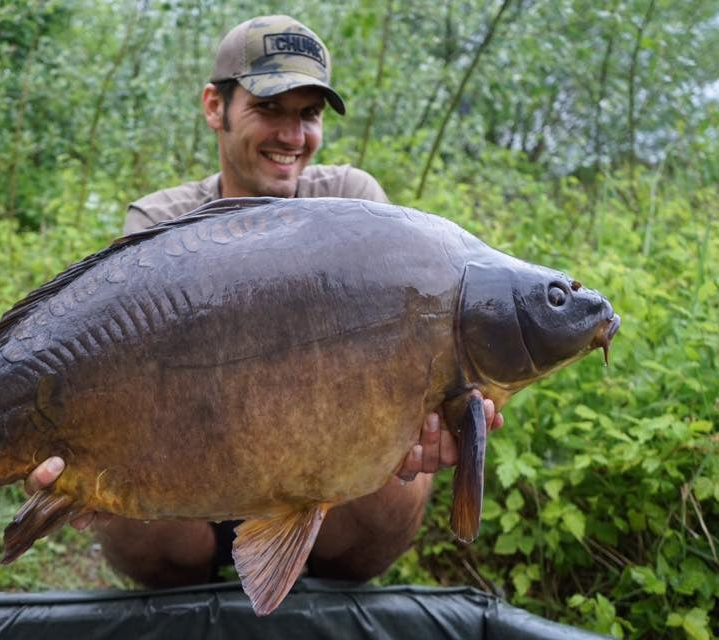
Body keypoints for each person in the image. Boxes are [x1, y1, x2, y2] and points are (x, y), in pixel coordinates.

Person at [25, 15, 503, 588]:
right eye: (269, 109)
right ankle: (194, 598)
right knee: (124, 512)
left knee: (403, 476)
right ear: (213, 107)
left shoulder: (356, 205)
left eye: (308, 114)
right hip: (189, 473)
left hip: (324, 484)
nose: (292, 136)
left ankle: (309, 575)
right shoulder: (161, 223)